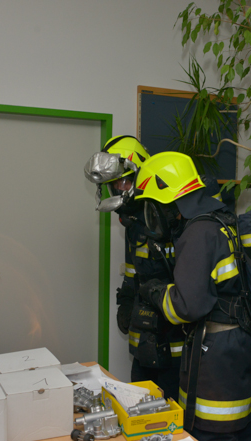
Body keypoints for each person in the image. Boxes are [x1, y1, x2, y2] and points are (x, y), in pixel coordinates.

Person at [133, 151, 251, 441]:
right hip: (240, 349)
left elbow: (186, 307)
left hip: (215, 362)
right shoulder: (223, 219)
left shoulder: (197, 233)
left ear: (168, 203)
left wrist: (156, 292)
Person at [84, 136, 182, 401]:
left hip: (175, 340)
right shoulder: (134, 221)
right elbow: (133, 270)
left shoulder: (168, 214)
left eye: (124, 182)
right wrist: (127, 299)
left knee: (171, 407)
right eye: (114, 185)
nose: (120, 190)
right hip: (144, 337)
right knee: (137, 401)